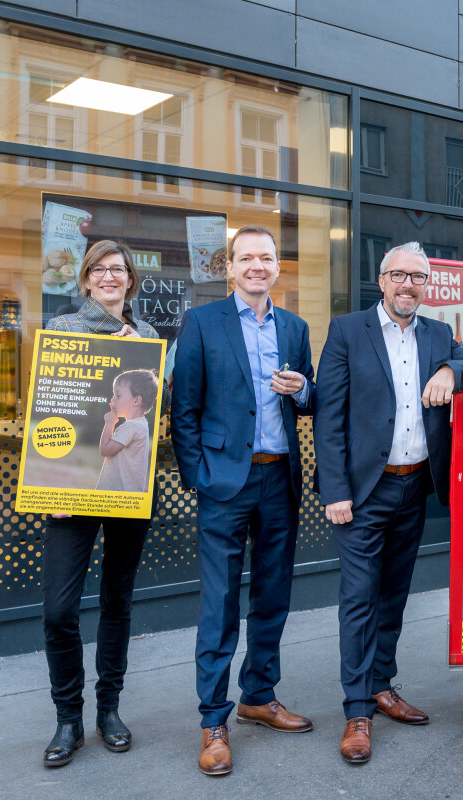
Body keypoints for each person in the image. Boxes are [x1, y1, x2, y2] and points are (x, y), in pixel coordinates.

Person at [315, 241, 463, 764]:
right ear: (382, 280)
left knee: (393, 595)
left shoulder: (438, 334)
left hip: (415, 488)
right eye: (399, 275)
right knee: (359, 599)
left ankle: (382, 685)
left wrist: (451, 372)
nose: (408, 284)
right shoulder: (348, 331)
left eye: (418, 277)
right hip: (364, 491)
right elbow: (329, 418)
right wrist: (336, 491)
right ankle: (357, 710)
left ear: (426, 285)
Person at [171, 225, 316, 777]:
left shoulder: (296, 327)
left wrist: (301, 389)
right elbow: (182, 406)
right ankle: (213, 719)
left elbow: (311, 402)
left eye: (267, 258)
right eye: (246, 258)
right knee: (220, 604)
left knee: (274, 596)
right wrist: (198, 476)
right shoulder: (204, 322)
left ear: (278, 268)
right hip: (223, 484)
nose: (257, 265)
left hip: (279, 479)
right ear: (229, 267)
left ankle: (259, 694)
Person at [40, 240, 162, 767]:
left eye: (119, 271)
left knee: (117, 601)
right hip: (73, 492)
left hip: (128, 491)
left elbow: (156, 413)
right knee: (59, 610)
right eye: (99, 270)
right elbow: (50, 409)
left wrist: (147, 360)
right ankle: (69, 717)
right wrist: (49, 484)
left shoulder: (149, 337)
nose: (109, 278)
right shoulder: (63, 330)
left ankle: (108, 709)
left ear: (130, 281)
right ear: (86, 280)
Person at [96, 369, 159, 493]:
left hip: (117, 496)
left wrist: (109, 423)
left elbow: (105, 450)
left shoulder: (132, 427)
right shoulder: (141, 425)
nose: (112, 400)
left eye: (118, 395)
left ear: (137, 400)